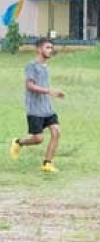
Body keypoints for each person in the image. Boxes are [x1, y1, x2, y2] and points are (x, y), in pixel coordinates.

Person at [9, 37, 65, 172]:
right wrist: (49, 91)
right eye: (47, 47)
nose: (50, 50)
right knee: (38, 139)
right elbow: (29, 86)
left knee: (56, 132)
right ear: (39, 49)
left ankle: (47, 163)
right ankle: (18, 142)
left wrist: (51, 94)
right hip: (35, 109)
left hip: (48, 108)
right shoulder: (31, 66)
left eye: (51, 48)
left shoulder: (45, 67)